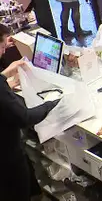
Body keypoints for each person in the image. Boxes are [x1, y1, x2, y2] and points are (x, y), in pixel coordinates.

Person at [0, 25, 60, 200]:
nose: (3, 52)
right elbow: (25, 117)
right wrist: (51, 103)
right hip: (7, 158)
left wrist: (5, 77)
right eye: (2, 47)